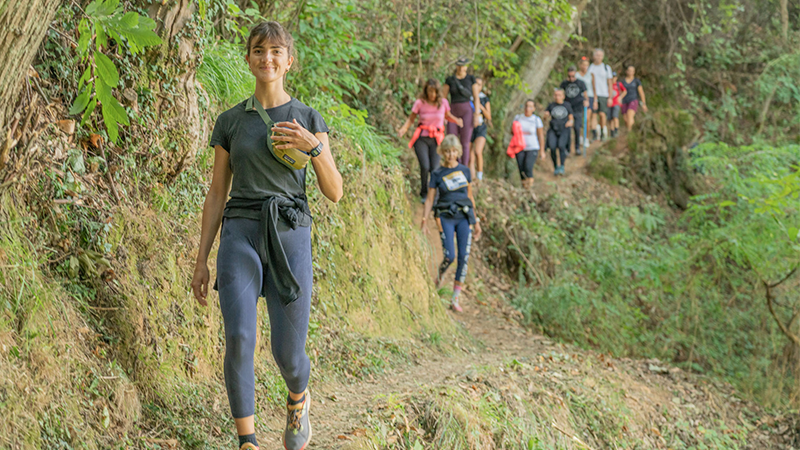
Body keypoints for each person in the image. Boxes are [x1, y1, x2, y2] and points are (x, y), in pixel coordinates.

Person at [191, 21, 343, 450]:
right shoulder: (230, 121)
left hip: (289, 232)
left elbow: (334, 192)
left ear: (289, 61)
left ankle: (298, 397)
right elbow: (217, 191)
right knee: (239, 337)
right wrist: (201, 258)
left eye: (276, 51)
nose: (267, 58)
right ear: (248, 59)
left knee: (288, 355)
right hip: (239, 231)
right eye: (259, 51)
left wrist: (313, 148)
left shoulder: (309, 119)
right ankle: (248, 441)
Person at [421, 135, 482, 312]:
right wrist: (424, 221)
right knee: (450, 255)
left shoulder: (464, 171)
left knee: (463, 257)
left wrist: (476, 220)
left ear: (458, 152)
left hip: (464, 217)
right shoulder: (437, 174)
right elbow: (430, 199)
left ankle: (455, 299)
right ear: (442, 152)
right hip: (445, 216)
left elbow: (470, 196)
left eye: (454, 151)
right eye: (447, 151)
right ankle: (438, 280)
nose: (450, 154)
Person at [398, 79, 463, 203]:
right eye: (429, 91)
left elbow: (447, 116)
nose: (432, 94)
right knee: (425, 166)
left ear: (438, 92)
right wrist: (404, 129)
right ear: (426, 91)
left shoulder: (443, 103)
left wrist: (457, 120)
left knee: (434, 168)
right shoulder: (420, 103)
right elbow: (411, 119)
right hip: (422, 138)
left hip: (437, 139)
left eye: (434, 92)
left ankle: (435, 195)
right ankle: (424, 192)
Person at [442, 56, 481, 166]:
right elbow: (443, 98)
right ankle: (454, 164)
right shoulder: (450, 80)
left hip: (467, 111)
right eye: (459, 65)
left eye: (463, 65)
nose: (461, 68)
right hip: (453, 110)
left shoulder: (471, 79)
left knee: (465, 142)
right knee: (452, 139)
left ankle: (463, 167)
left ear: (466, 67)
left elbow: (476, 97)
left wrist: (477, 114)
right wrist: (444, 115)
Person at [511, 99, 545, 188]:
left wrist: (542, 151)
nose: (527, 108)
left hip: (532, 147)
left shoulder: (536, 120)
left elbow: (540, 136)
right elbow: (513, 132)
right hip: (520, 147)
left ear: (533, 108)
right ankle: (524, 188)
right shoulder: (518, 118)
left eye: (530, 106)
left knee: (528, 167)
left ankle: (529, 188)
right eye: (526, 106)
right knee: (521, 170)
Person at [543, 89, 574, 176]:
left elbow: (571, 117)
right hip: (553, 129)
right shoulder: (551, 105)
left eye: (559, 95)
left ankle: (562, 166)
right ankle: (556, 166)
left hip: (564, 128)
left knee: (561, 146)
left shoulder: (567, 105)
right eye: (556, 95)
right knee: (552, 147)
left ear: (563, 96)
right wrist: (545, 116)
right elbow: (546, 116)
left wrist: (570, 122)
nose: (557, 97)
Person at [560, 65, 589, 155]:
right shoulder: (564, 84)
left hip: (578, 108)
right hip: (568, 108)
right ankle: (567, 149)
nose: (571, 78)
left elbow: (585, 94)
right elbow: (560, 94)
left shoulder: (580, 83)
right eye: (569, 76)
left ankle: (577, 148)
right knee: (567, 129)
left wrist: (586, 101)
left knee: (577, 128)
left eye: (573, 76)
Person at [470, 77, 492, 181]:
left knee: (478, 151)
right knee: (469, 154)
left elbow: (488, 116)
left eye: (479, 84)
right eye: (476, 84)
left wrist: (480, 106)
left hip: (480, 127)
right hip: (469, 126)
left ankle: (480, 175)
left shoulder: (484, 99)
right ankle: (472, 177)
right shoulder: (468, 97)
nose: (477, 86)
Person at [588, 48, 613, 141]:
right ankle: (594, 134)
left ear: (603, 57)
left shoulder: (606, 68)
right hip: (592, 93)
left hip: (603, 94)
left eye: (600, 55)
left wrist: (610, 97)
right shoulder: (590, 67)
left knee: (602, 114)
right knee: (593, 115)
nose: (598, 57)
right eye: (597, 55)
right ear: (593, 56)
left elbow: (609, 83)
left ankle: (603, 131)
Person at [621, 65, 648, 131]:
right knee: (625, 118)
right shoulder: (622, 81)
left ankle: (629, 132)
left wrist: (644, 104)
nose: (630, 72)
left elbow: (641, 92)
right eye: (629, 70)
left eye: (632, 71)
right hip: (624, 100)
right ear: (626, 71)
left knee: (630, 114)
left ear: (634, 72)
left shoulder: (636, 81)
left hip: (633, 99)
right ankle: (631, 130)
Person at [575, 57, 593, 148]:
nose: (585, 66)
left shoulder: (591, 75)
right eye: (583, 64)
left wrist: (595, 99)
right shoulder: (576, 75)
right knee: (579, 119)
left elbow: (594, 87)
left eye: (587, 65)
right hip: (579, 98)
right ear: (580, 65)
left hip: (589, 97)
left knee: (587, 118)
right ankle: (580, 136)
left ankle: (586, 138)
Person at [609, 71, 626, 138]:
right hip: (610, 104)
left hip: (616, 103)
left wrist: (620, 97)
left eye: (614, 77)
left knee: (615, 117)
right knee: (610, 118)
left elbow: (625, 91)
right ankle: (612, 132)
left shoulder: (618, 84)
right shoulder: (608, 85)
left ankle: (616, 131)